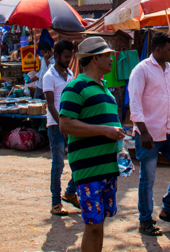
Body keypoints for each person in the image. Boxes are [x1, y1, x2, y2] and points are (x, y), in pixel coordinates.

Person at [58, 37, 125, 252]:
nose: (111, 59)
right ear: (96, 58)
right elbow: (65, 124)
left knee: (99, 223)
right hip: (89, 169)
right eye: (107, 55)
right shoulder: (75, 87)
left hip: (108, 167)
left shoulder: (105, 90)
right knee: (93, 225)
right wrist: (105, 130)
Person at [127, 32, 170, 234]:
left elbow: (169, 98)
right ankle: (145, 221)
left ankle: (169, 208)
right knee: (148, 179)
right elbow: (135, 105)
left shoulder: (169, 68)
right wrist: (144, 132)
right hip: (149, 134)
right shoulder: (141, 71)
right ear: (157, 50)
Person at [42, 39, 80, 216]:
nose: (68, 60)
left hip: (71, 124)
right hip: (55, 125)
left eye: (70, 57)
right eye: (66, 57)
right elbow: (51, 105)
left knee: (79, 161)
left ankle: (71, 192)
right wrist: (62, 125)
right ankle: (55, 202)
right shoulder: (49, 77)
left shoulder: (70, 74)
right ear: (56, 56)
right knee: (58, 164)